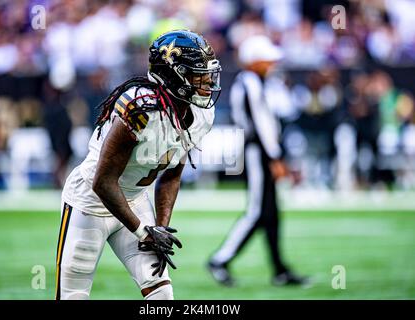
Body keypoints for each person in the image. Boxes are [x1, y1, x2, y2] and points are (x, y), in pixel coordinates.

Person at [56, 30, 222, 300]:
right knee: (73, 295)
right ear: (173, 75)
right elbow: (103, 181)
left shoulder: (201, 113)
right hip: (89, 202)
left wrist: (161, 228)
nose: (206, 82)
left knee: (161, 295)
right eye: (197, 74)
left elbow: (171, 176)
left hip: (134, 201)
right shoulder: (140, 108)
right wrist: (142, 231)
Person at [207, 35, 308, 287]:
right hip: (257, 152)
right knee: (256, 212)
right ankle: (220, 260)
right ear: (254, 60)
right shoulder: (250, 82)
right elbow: (261, 123)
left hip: (262, 150)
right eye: (266, 58)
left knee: (271, 214)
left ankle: (279, 270)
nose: (271, 62)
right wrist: (275, 157)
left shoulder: (259, 82)